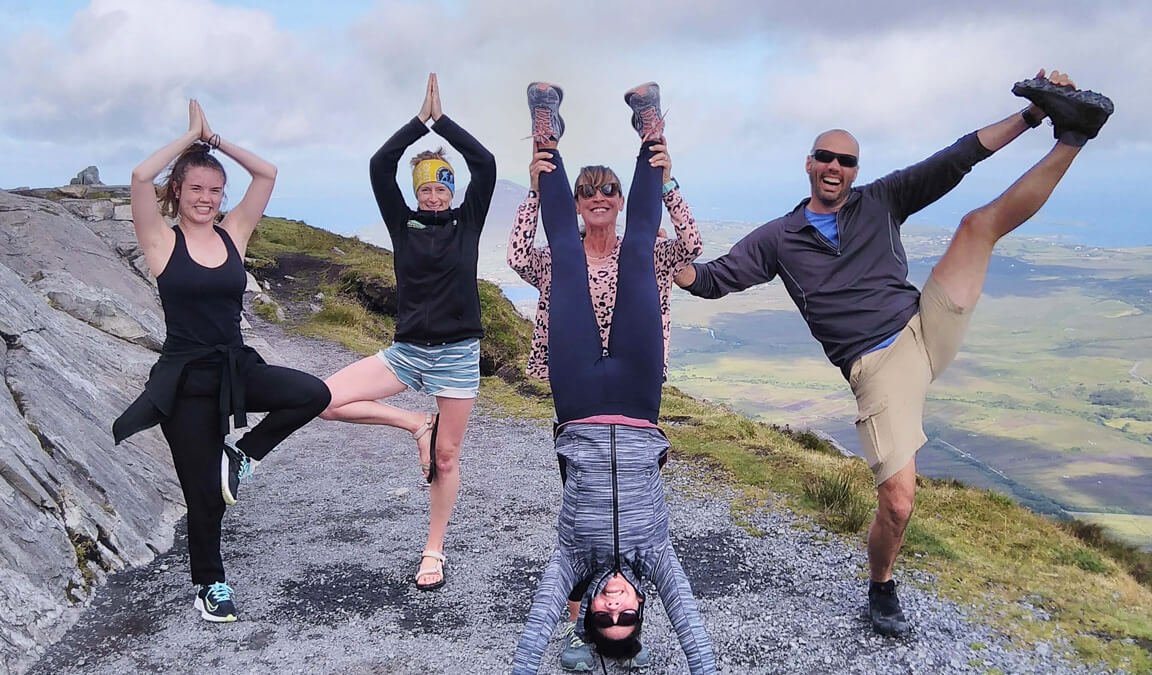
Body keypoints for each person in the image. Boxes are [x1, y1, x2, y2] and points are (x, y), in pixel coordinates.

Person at [674, 70, 1113, 637]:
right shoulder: (778, 238)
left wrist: (1031, 116)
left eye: (846, 161)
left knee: (977, 225)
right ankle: (882, 585)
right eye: (825, 157)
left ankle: (1074, 135)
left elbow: (956, 159)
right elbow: (713, 280)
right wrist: (670, 267)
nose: (835, 167)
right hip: (877, 367)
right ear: (808, 164)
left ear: (855, 171)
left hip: (923, 324)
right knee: (900, 503)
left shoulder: (880, 200)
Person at [511, 82, 716, 675]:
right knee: (636, 251)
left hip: (575, 395)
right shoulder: (659, 559)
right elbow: (693, 631)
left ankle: (544, 124)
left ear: (590, 610)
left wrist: (534, 183)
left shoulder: (571, 559)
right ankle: (650, 126)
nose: (618, 605)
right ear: (642, 606)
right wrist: (668, 176)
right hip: (636, 394)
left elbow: (532, 638)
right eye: (629, 615)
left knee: (565, 254)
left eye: (606, 615)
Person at [113, 100, 332, 623]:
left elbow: (268, 172)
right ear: (178, 193)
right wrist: (190, 135)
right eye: (196, 189)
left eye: (214, 190)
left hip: (236, 369)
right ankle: (210, 584)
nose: (206, 199)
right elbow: (140, 176)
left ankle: (241, 455)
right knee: (204, 498)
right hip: (186, 382)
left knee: (312, 394)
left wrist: (217, 142)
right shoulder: (162, 241)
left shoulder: (234, 234)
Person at [318, 73, 496, 592]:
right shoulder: (402, 223)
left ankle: (433, 550)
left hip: (458, 354)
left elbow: (484, 163)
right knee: (326, 399)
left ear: (452, 189)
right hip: (407, 352)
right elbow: (380, 165)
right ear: (416, 193)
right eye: (426, 187)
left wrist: (445, 123)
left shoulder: (468, 222)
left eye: (442, 184)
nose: (435, 193)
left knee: (447, 457)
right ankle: (417, 423)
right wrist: (419, 123)